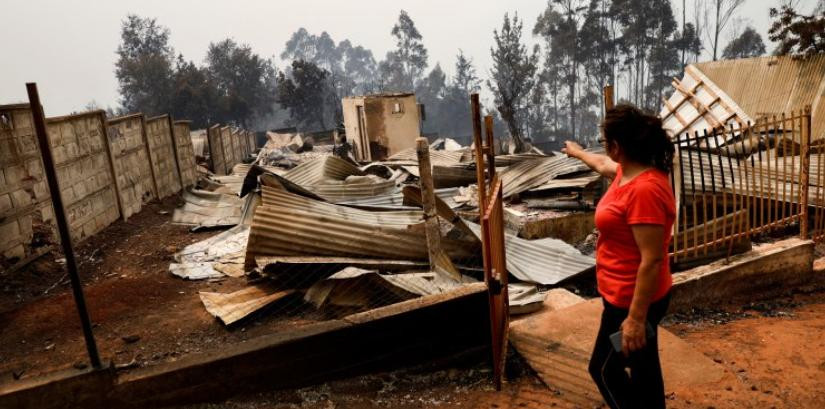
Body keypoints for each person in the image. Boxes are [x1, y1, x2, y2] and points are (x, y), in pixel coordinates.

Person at [563, 104, 676, 409]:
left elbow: (652, 258)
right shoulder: (628, 172)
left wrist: (636, 319)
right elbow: (601, 164)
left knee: (604, 370)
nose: (604, 149)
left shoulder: (644, 191)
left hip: (632, 300)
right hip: (623, 294)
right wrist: (576, 153)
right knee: (643, 369)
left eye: (605, 141)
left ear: (618, 146)